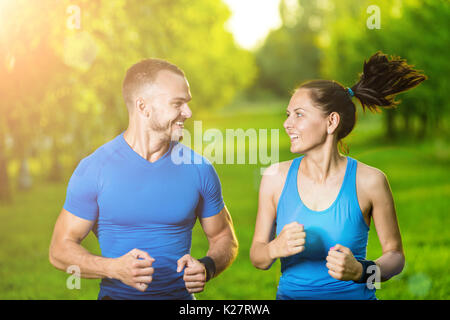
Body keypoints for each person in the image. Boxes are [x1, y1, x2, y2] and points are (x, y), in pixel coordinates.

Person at [49, 58, 238, 300]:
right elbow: (59, 249)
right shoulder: (94, 169)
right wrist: (112, 268)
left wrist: (208, 266)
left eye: (187, 103)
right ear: (143, 106)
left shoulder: (199, 168)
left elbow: (224, 237)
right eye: (177, 104)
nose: (188, 113)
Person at [250, 51, 426, 300]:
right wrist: (274, 249)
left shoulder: (370, 181)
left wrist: (362, 271)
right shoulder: (274, 177)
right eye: (287, 114)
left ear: (331, 122)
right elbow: (258, 257)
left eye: (299, 114)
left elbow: (395, 258)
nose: (287, 124)